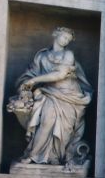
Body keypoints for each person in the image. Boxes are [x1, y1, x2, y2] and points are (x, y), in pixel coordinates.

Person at [9, 27, 93, 167]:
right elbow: (30, 74)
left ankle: (55, 157)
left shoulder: (68, 54)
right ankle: (33, 155)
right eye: (63, 37)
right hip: (50, 93)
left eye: (68, 39)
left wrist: (34, 81)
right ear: (55, 35)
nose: (65, 41)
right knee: (47, 121)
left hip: (70, 96)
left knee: (65, 129)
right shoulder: (41, 56)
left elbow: (59, 75)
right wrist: (26, 83)